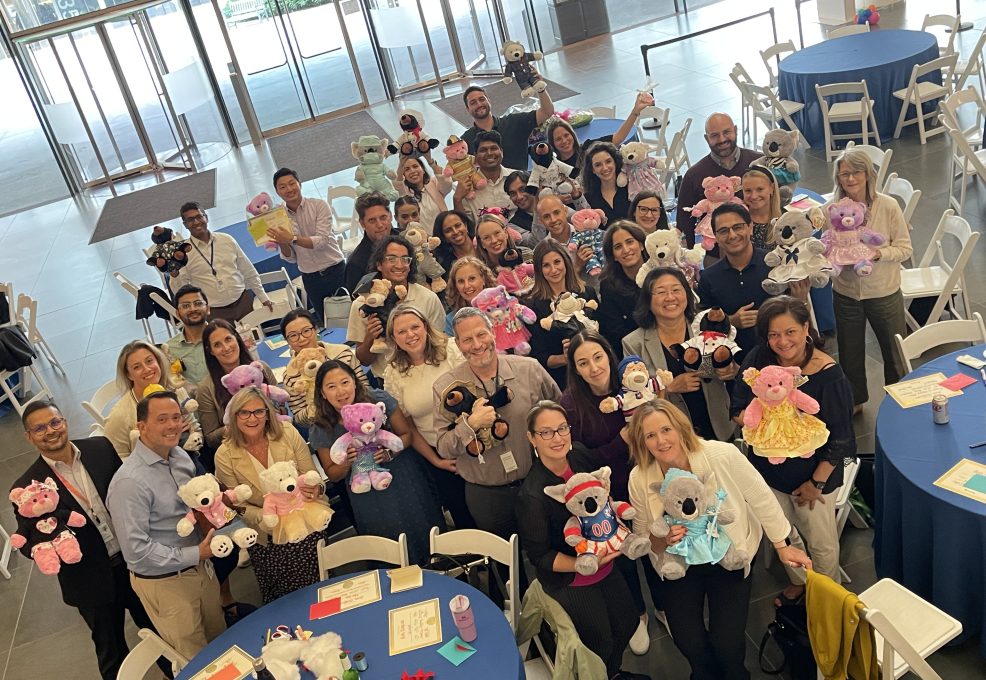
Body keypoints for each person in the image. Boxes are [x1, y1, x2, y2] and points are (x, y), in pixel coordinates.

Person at [626, 400, 811, 680]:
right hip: (680, 563)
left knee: (727, 644)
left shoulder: (720, 454)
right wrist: (661, 540)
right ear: (642, 442)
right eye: (650, 435)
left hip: (728, 555)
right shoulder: (639, 478)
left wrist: (782, 545)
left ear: (680, 428)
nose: (661, 441)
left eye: (666, 430)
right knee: (688, 641)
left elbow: (759, 495)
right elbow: (642, 533)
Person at [12, 402, 162, 680]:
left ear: (65, 421)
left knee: (161, 631)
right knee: (112, 651)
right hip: (89, 581)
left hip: (134, 562)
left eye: (55, 422)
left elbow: (130, 492)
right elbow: (29, 544)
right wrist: (47, 542)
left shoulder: (100, 449)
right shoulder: (28, 487)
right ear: (29, 436)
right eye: (40, 428)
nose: (50, 431)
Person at [730, 296, 855, 606]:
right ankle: (800, 581)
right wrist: (762, 415)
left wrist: (816, 484)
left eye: (790, 332)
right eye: (773, 334)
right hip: (768, 471)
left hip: (815, 474)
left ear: (806, 328)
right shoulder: (759, 359)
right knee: (783, 534)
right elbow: (736, 407)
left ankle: (829, 598)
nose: (782, 342)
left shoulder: (828, 373)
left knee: (822, 543)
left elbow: (841, 438)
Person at [516, 401, 650, 680]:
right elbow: (540, 557)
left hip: (606, 562)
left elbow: (603, 496)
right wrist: (584, 563)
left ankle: (611, 672)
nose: (558, 438)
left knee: (626, 623)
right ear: (531, 438)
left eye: (562, 428)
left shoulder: (578, 455)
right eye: (546, 432)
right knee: (600, 640)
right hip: (572, 577)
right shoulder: (532, 496)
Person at [106, 391, 226, 660]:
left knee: (220, 639)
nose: (172, 425)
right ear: (142, 427)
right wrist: (197, 554)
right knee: (195, 657)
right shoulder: (129, 483)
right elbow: (136, 552)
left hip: (201, 567)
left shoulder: (180, 457)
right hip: (166, 583)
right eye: (162, 419)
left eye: (176, 417)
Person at [559, 332, 657, 656]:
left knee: (656, 544)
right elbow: (580, 462)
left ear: (609, 356)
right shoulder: (571, 404)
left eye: (598, 357)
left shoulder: (632, 382)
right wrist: (622, 441)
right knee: (625, 557)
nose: (593, 368)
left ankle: (665, 604)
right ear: (575, 368)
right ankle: (637, 613)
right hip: (610, 495)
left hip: (647, 481)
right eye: (583, 363)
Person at [433, 307, 562, 539]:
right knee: (505, 563)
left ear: (493, 332)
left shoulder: (530, 369)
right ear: (458, 344)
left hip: (537, 481)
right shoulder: (446, 388)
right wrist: (470, 425)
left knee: (549, 548)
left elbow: (560, 413)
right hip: (486, 493)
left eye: (481, 334)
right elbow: (443, 447)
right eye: (467, 339)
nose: (477, 344)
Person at [309, 360, 445, 565]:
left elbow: (406, 434)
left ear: (355, 382)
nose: (340, 391)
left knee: (423, 526)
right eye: (331, 386)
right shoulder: (321, 426)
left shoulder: (378, 400)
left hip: (403, 476)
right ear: (322, 393)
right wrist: (347, 461)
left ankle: (444, 571)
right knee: (385, 543)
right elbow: (332, 472)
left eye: (345, 382)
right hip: (366, 493)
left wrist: (390, 453)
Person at [214, 387, 330, 602]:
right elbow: (235, 505)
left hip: (305, 524)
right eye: (244, 413)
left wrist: (316, 488)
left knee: (321, 590)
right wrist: (267, 518)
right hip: (266, 537)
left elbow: (310, 473)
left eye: (259, 411)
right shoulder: (225, 454)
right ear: (234, 416)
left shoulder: (287, 432)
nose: (253, 418)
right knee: (286, 600)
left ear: (268, 413)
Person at [829, 149, 912, 412]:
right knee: (849, 352)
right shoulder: (831, 210)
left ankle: (898, 399)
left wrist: (877, 254)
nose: (851, 179)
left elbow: (905, 249)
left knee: (894, 351)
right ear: (838, 178)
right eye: (845, 174)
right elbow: (827, 245)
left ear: (868, 175)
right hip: (845, 292)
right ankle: (855, 400)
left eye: (856, 172)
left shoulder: (888, 206)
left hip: (884, 293)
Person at [383, 304, 475, 530]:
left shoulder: (451, 349)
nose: (410, 335)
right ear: (393, 338)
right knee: (463, 515)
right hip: (438, 453)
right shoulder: (393, 373)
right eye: (401, 332)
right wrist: (437, 461)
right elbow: (409, 426)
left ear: (425, 327)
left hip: (474, 440)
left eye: (414, 327)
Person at [623, 268, 737, 442]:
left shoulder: (707, 326)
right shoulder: (633, 343)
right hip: (671, 436)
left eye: (676, 290)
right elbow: (634, 396)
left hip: (720, 426)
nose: (670, 297)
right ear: (648, 300)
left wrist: (730, 370)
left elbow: (735, 365)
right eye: (661, 292)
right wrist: (669, 388)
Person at [696, 203, 808, 356]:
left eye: (738, 227)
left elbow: (799, 316)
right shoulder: (708, 277)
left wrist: (800, 298)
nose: (732, 235)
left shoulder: (778, 264)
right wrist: (730, 322)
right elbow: (702, 326)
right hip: (734, 363)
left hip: (783, 355)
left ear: (750, 227)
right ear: (715, 237)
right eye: (723, 231)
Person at [346, 234, 445, 378]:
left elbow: (440, 344)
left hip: (427, 375)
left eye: (405, 259)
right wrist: (370, 337)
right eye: (391, 259)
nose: (399, 265)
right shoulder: (363, 304)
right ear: (379, 264)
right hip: (386, 381)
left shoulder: (428, 298)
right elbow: (363, 361)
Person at [169, 202, 273, 322]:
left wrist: (263, 298)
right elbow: (179, 290)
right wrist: (174, 274)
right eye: (191, 219)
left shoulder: (226, 240)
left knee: (254, 338)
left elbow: (248, 271)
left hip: (243, 302)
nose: (196, 222)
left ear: (206, 218)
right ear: (185, 225)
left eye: (199, 216)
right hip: (214, 312)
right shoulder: (183, 253)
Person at [267, 168, 347, 324]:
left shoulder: (319, 206)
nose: (289, 189)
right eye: (282, 187)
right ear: (277, 192)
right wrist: (282, 243)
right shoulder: (278, 217)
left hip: (336, 270)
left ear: (300, 184)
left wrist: (293, 238)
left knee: (352, 317)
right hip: (311, 278)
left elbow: (322, 241)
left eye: (292, 183)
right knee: (326, 324)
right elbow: (291, 258)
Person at [676, 113, 760, 248]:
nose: (722, 139)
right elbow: (684, 222)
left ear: (736, 130)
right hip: (715, 252)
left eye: (727, 132)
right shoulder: (694, 175)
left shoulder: (758, 163)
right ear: (706, 138)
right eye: (714, 135)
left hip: (758, 246)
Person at [525, 240, 598, 390]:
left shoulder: (587, 292)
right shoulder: (534, 307)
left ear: (565, 262)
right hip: (564, 381)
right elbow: (538, 356)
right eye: (546, 265)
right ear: (539, 270)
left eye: (557, 262)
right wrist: (564, 358)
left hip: (597, 369)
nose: (553, 269)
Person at [197, 319, 278, 451]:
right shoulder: (206, 389)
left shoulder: (261, 368)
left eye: (228, 339)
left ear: (237, 338)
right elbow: (210, 439)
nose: (226, 347)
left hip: (275, 439)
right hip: (238, 449)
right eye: (217, 345)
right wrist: (242, 424)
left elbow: (282, 408)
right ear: (210, 351)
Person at [279, 308, 368, 426]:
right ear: (287, 341)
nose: (301, 339)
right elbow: (299, 418)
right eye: (293, 336)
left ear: (316, 329)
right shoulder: (290, 375)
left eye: (306, 331)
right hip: (324, 427)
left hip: (361, 417)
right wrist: (320, 406)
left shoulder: (342, 354)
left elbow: (365, 388)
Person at [546, 91, 653, 174]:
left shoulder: (588, 148)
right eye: (558, 139)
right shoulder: (555, 166)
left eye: (566, 135)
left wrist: (635, 111)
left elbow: (617, 138)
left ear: (572, 134)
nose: (564, 141)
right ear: (552, 143)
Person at [461, 83, 554, 171]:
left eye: (482, 99)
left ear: (489, 101)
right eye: (473, 102)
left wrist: (540, 88)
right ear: (467, 109)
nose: (479, 104)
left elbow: (546, 112)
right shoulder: (465, 142)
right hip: (487, 187)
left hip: (520, 185)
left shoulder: (514, 123)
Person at [104, 340, 173, 457]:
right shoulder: (119, 416)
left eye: (149, 361)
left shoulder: (174, 390)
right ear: (129, 375)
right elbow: (117, 459)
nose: (147, 369)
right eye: (137, 367)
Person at [597, 221, 648, 359]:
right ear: (613, 255)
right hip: (634, 351)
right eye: (618, 246)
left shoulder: (660, 273)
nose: (626, 250)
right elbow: (615, 331)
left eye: (630, 242)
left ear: (642, 245)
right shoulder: (608, 286)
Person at [453, 130, 517, 223]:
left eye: (494, 148)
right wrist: (457, 199)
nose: (489, 153)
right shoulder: (466, 188)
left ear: (501, 152)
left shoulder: (518, 177)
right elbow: (464, 226)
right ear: (475, 156)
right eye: (483, 150)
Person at [344, 192, 398, 293]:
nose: (380, 225)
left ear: (390, 216)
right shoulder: (355, 264)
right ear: (362, 223)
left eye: (383, 217)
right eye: (372, 220)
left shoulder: (406, 239)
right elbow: (359, 304)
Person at [165, 285, 210, 384]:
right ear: (177, 314)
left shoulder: (223, 338)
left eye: (198, 304)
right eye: (185, 306)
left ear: (208, 308)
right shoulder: (169, 350)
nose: (193, 309)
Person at [538, 194, 593, 274]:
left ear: (565, 211)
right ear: (541, 221)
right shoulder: (541, 251)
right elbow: (552, 284)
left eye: (556, 212)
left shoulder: (588, 233)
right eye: (546, 216)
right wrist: (578, 265)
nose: (553, 219)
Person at [444, 256, 498, 335]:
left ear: (483, 279)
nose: (467, 286)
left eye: (472, 278)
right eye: (461, 281)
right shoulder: (451, 321)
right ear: (455, 286)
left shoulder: (503, 307)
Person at [398, 156, 451, 231]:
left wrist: (430, 161)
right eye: (407, 169)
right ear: (404, 175)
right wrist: (401, 165)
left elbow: (447, 183)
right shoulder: (405, 194)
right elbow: (398, 183)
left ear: (423, 170)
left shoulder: (434, 183)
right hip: (422, 240)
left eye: (415, 166)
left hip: (445, 234)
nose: (412, 171)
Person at [582, 142, 630, 222]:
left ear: (615, 162)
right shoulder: (588, 199)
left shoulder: (632, 188)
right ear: (592, 170)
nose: (605, 168)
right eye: (598, 165)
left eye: (608, 161)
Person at [475, 211, 533, 279]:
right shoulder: (481, 272)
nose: (494, 240)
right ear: (482, 244)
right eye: (486, 237)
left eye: (497, 233)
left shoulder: (526, 254)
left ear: (505, 233)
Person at [741, 166, 782, 249]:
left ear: (772, 188)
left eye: (760, 189)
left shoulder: (785, 220)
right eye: (748, 191)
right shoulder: (738, 219)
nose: (754, 196)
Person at [433, 209, 479, 274]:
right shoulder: (446, 265)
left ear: (466, 226)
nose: (455, 232)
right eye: (448, 230)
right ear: (443, 237)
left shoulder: (483, 244)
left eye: (458, 225)